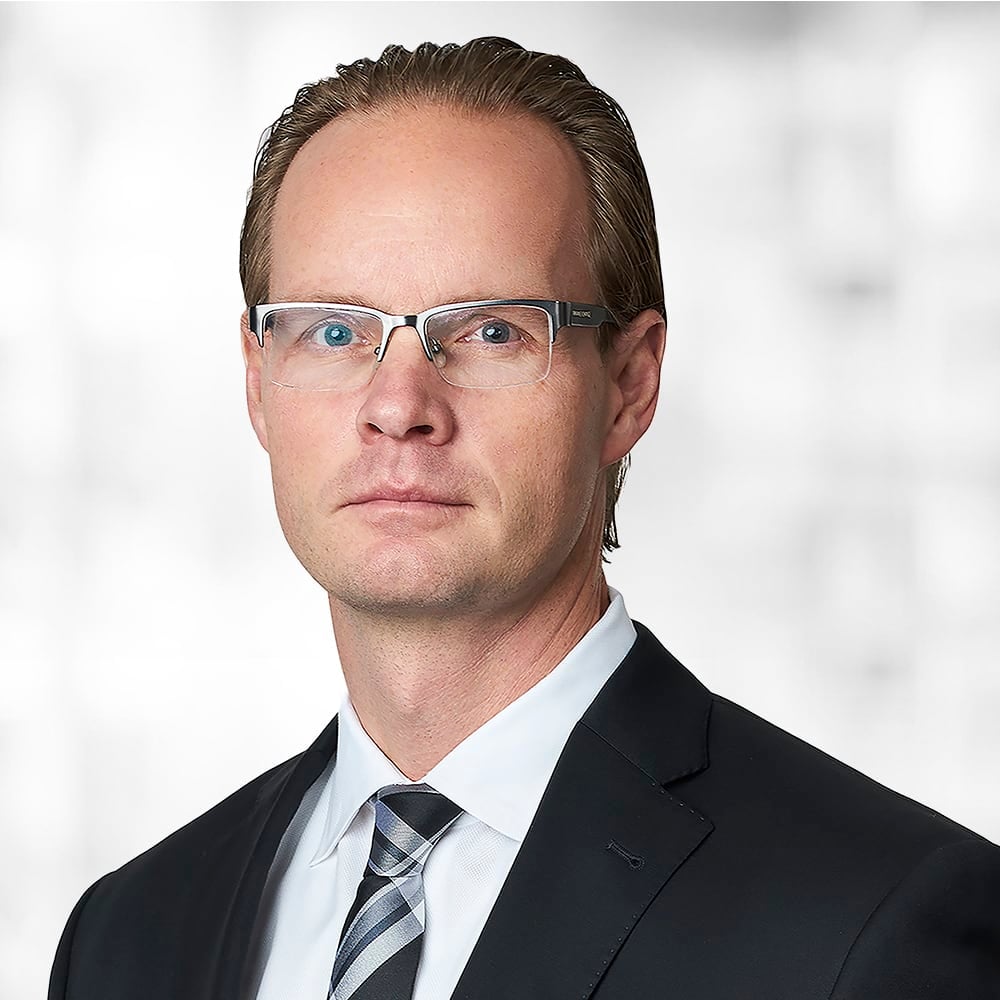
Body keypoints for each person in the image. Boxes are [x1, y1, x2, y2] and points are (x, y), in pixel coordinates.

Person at [49, 36, 999, 1000]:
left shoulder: (876, 924)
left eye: (492, 330)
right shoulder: (125, 939)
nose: (399, 405)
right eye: (334, 331)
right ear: (259, 385)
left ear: (629, 385)